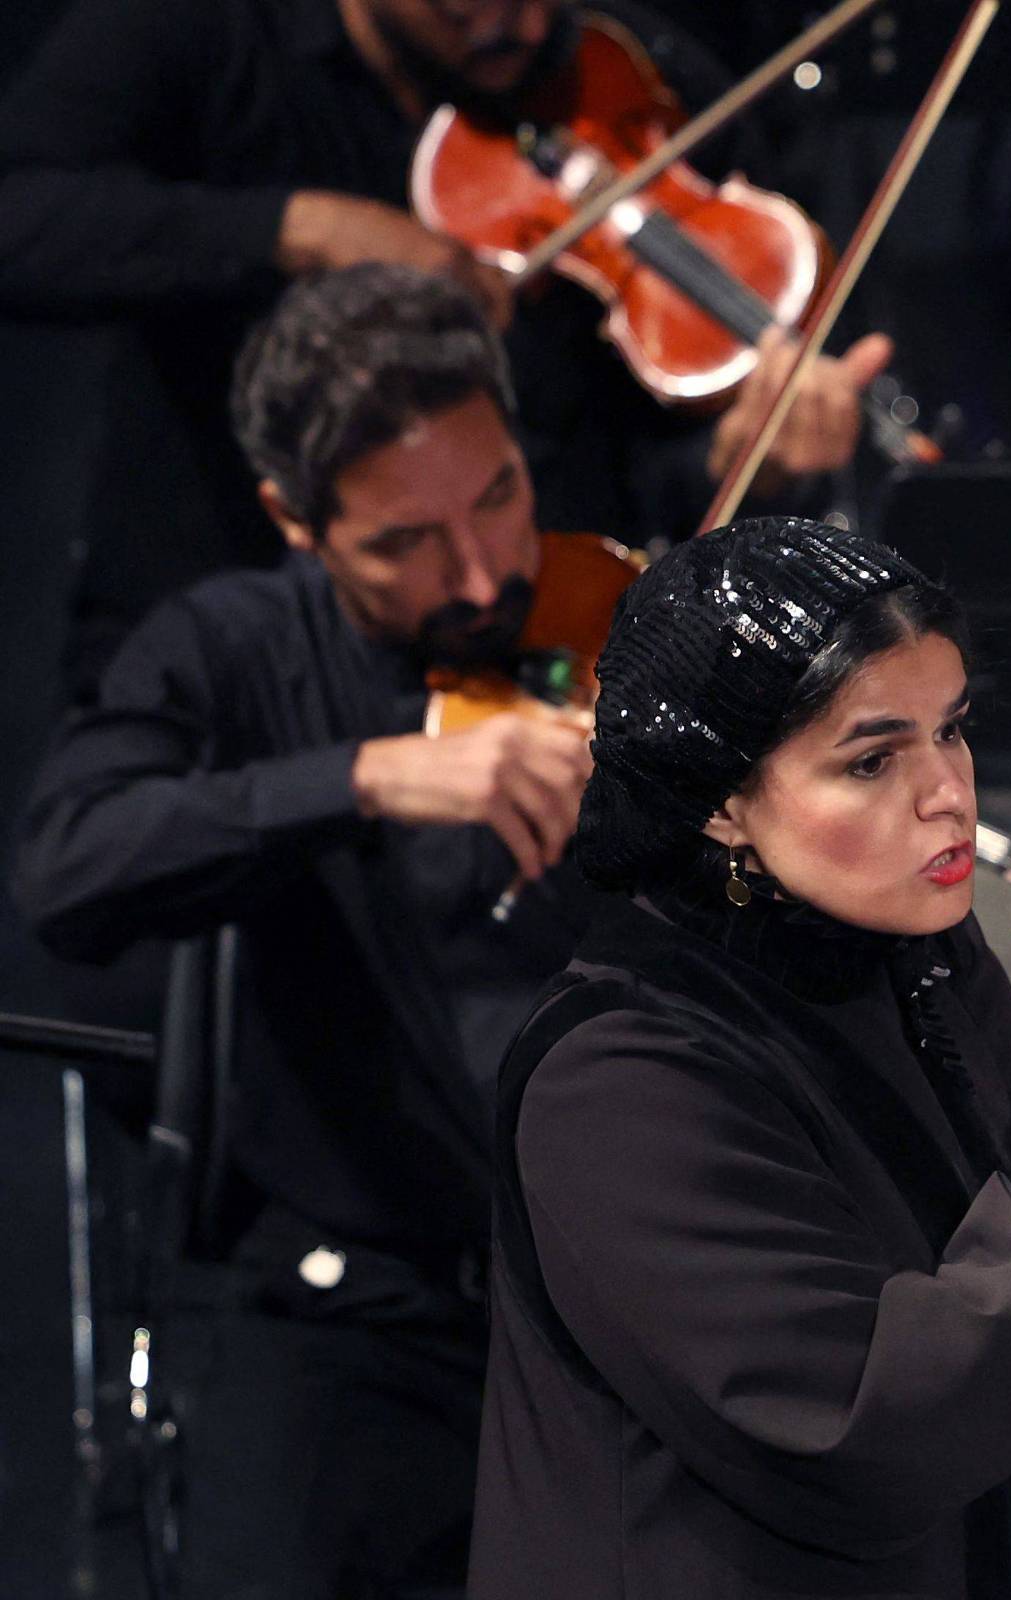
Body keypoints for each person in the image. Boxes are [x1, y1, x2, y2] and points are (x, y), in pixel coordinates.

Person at [467, 517, 1011, 1598]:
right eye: (874, 757)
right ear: (725, 803)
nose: (949, 794)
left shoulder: (910, 952)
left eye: (954, 730)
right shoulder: (617, 1076)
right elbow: (871, 1436)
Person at [14, 263, 609, 1596]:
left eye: (500, 497)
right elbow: (68, 865)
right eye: (405, 542)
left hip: (614, 1315)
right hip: (351, 1322)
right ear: (295, 520)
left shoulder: (617, 612)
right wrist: (361, 776)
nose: (480, 572)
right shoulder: (228, 648)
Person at [0, 0, 891, 690]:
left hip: (525, 652)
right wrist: (291, 227)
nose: (523, 25)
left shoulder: (613, 74)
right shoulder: (210, 26)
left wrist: (746, 466)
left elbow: (634, 470)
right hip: (218, 600)